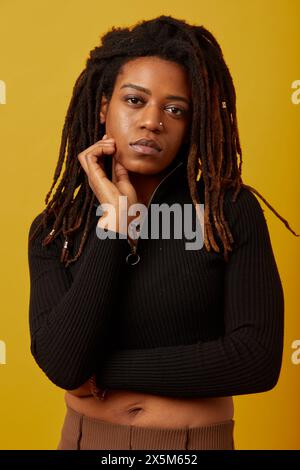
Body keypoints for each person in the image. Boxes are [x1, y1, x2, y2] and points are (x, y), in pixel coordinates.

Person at [27, 15, 297, 451]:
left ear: (193, 123)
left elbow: (255, 361)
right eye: (135, 100)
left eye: (175, 109)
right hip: (84, 441)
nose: (153, 121)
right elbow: (62, 363)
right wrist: (115, 224)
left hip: (192, 448)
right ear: (102, 108)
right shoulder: (58, 228)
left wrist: (103, 374)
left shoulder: (228, 212)